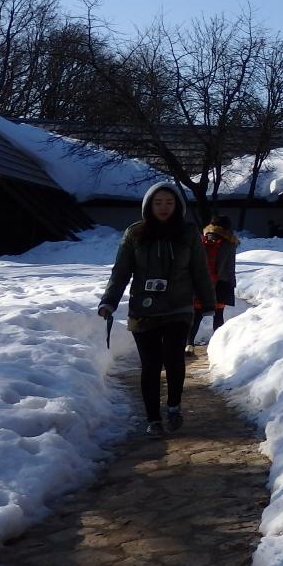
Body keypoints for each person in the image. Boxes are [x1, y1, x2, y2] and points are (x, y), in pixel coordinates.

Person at [98, 182, 216, 438]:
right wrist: (109, 301)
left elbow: (200, 269)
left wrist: (209, 302)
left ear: (178, 206)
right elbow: (121, 271)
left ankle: (173, 406)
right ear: (149, 206)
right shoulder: (135, 233)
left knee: (173, 358)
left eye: (169, 203)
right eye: (158, 202)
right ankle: (153, 419)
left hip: (178, 307)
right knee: (150, 365)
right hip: (144, 309)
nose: (164, 207)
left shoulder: (188, 233)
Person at [186, 215, 238, 356]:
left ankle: (189, 344)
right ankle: (219, 345)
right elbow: (230, 267)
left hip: (202, 283)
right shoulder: (229, 243)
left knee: (197, 315)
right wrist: (232, 283)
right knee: (218, 314)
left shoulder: (201, 240)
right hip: (222, 284)